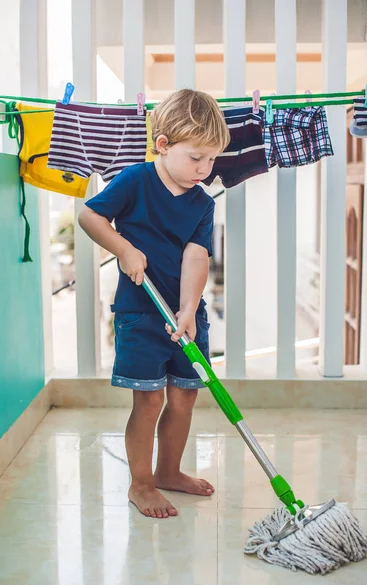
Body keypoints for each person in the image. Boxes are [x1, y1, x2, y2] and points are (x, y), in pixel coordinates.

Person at [78, 89, 230, 519]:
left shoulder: (202, 202)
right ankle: (141, 484)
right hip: (141, 312)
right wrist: (124, 249)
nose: (204, 169)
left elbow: (196, 255)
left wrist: (188, 309)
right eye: (196, 158)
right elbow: (90, 216)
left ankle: (169, 472)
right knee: (148, 401)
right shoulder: (135, 180)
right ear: (163, 145)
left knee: (184, 398)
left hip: (184, 313)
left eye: (212, 160)